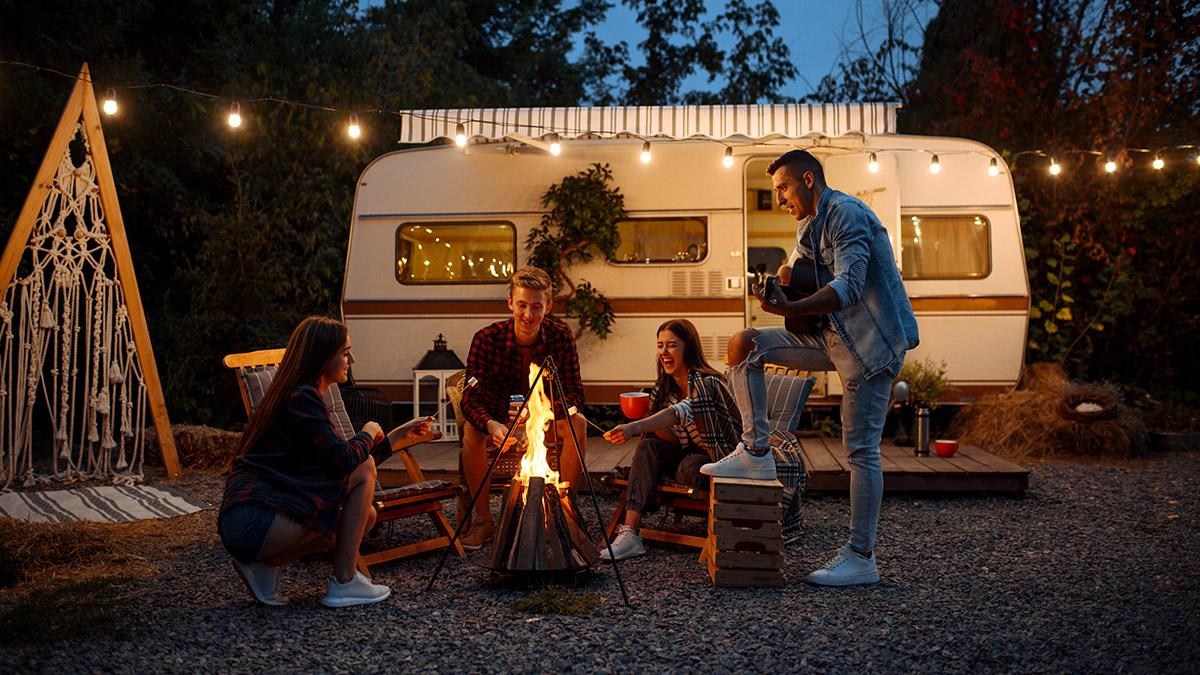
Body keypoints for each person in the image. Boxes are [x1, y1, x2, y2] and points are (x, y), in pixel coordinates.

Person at [701, 149, 919, 587]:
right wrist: (781, 282)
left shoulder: (847, 214)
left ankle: (862, 557)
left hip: (871, 347)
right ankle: (757, 453)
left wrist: (795, 303)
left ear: (807, 179)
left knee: (859, 450)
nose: (779, 197)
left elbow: (849, 286)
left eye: (782, 187)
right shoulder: (808, 222)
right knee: (745, 345)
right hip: (830, 338)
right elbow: (797, 263)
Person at [218, 316, 433, 608]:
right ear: (322, 356)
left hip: (254, 521)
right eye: (345, 352)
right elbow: (347, 462)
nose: (352, 359)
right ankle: (344, 582)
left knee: (365, 517)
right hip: (254, 518)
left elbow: (339, 462)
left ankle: (265, 565)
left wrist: (396, 437)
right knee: (363, 476)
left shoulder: (301, 395)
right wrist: (368, 431)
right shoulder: (301, 398)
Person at [601, 319, 804, 561]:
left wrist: (634, 426)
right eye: (660, 345)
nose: (664, 352)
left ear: (688, 348)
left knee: (688, 468)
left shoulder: (709, 382)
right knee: (647, 446)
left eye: (672, 345)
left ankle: (652, 488)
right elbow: (674, 441)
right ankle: (631, 533)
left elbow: (680, 412)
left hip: (717, 455)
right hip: (685, 454)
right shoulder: (662, 388)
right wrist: (645, 417)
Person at [458, 265, 587, 550]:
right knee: (471, 431)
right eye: (522, 305)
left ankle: (564, 512)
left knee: (578, 423)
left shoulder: (560, 337)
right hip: (500, 421)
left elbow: (576, 393)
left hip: (546, 418)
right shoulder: (486, 339)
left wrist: (545, 413)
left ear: (548, 306)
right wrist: (491, 425)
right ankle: (483, 520)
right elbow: (469, 398)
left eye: (536, 307)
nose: (528, 315)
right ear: (510, 303)